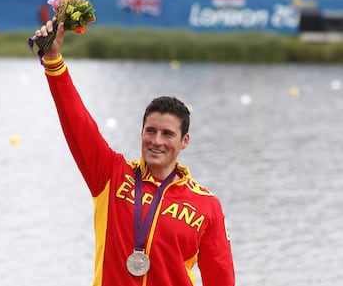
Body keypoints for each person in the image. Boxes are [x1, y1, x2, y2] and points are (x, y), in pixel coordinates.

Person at [34, 20, 235, 286]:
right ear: (141, 133)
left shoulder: (207, 206)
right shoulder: (111, 175)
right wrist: (53, 61)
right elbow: (77, 122)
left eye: (168, 134)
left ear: (185, 141)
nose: (157, 141)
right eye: (150, 131)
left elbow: (221, 280)